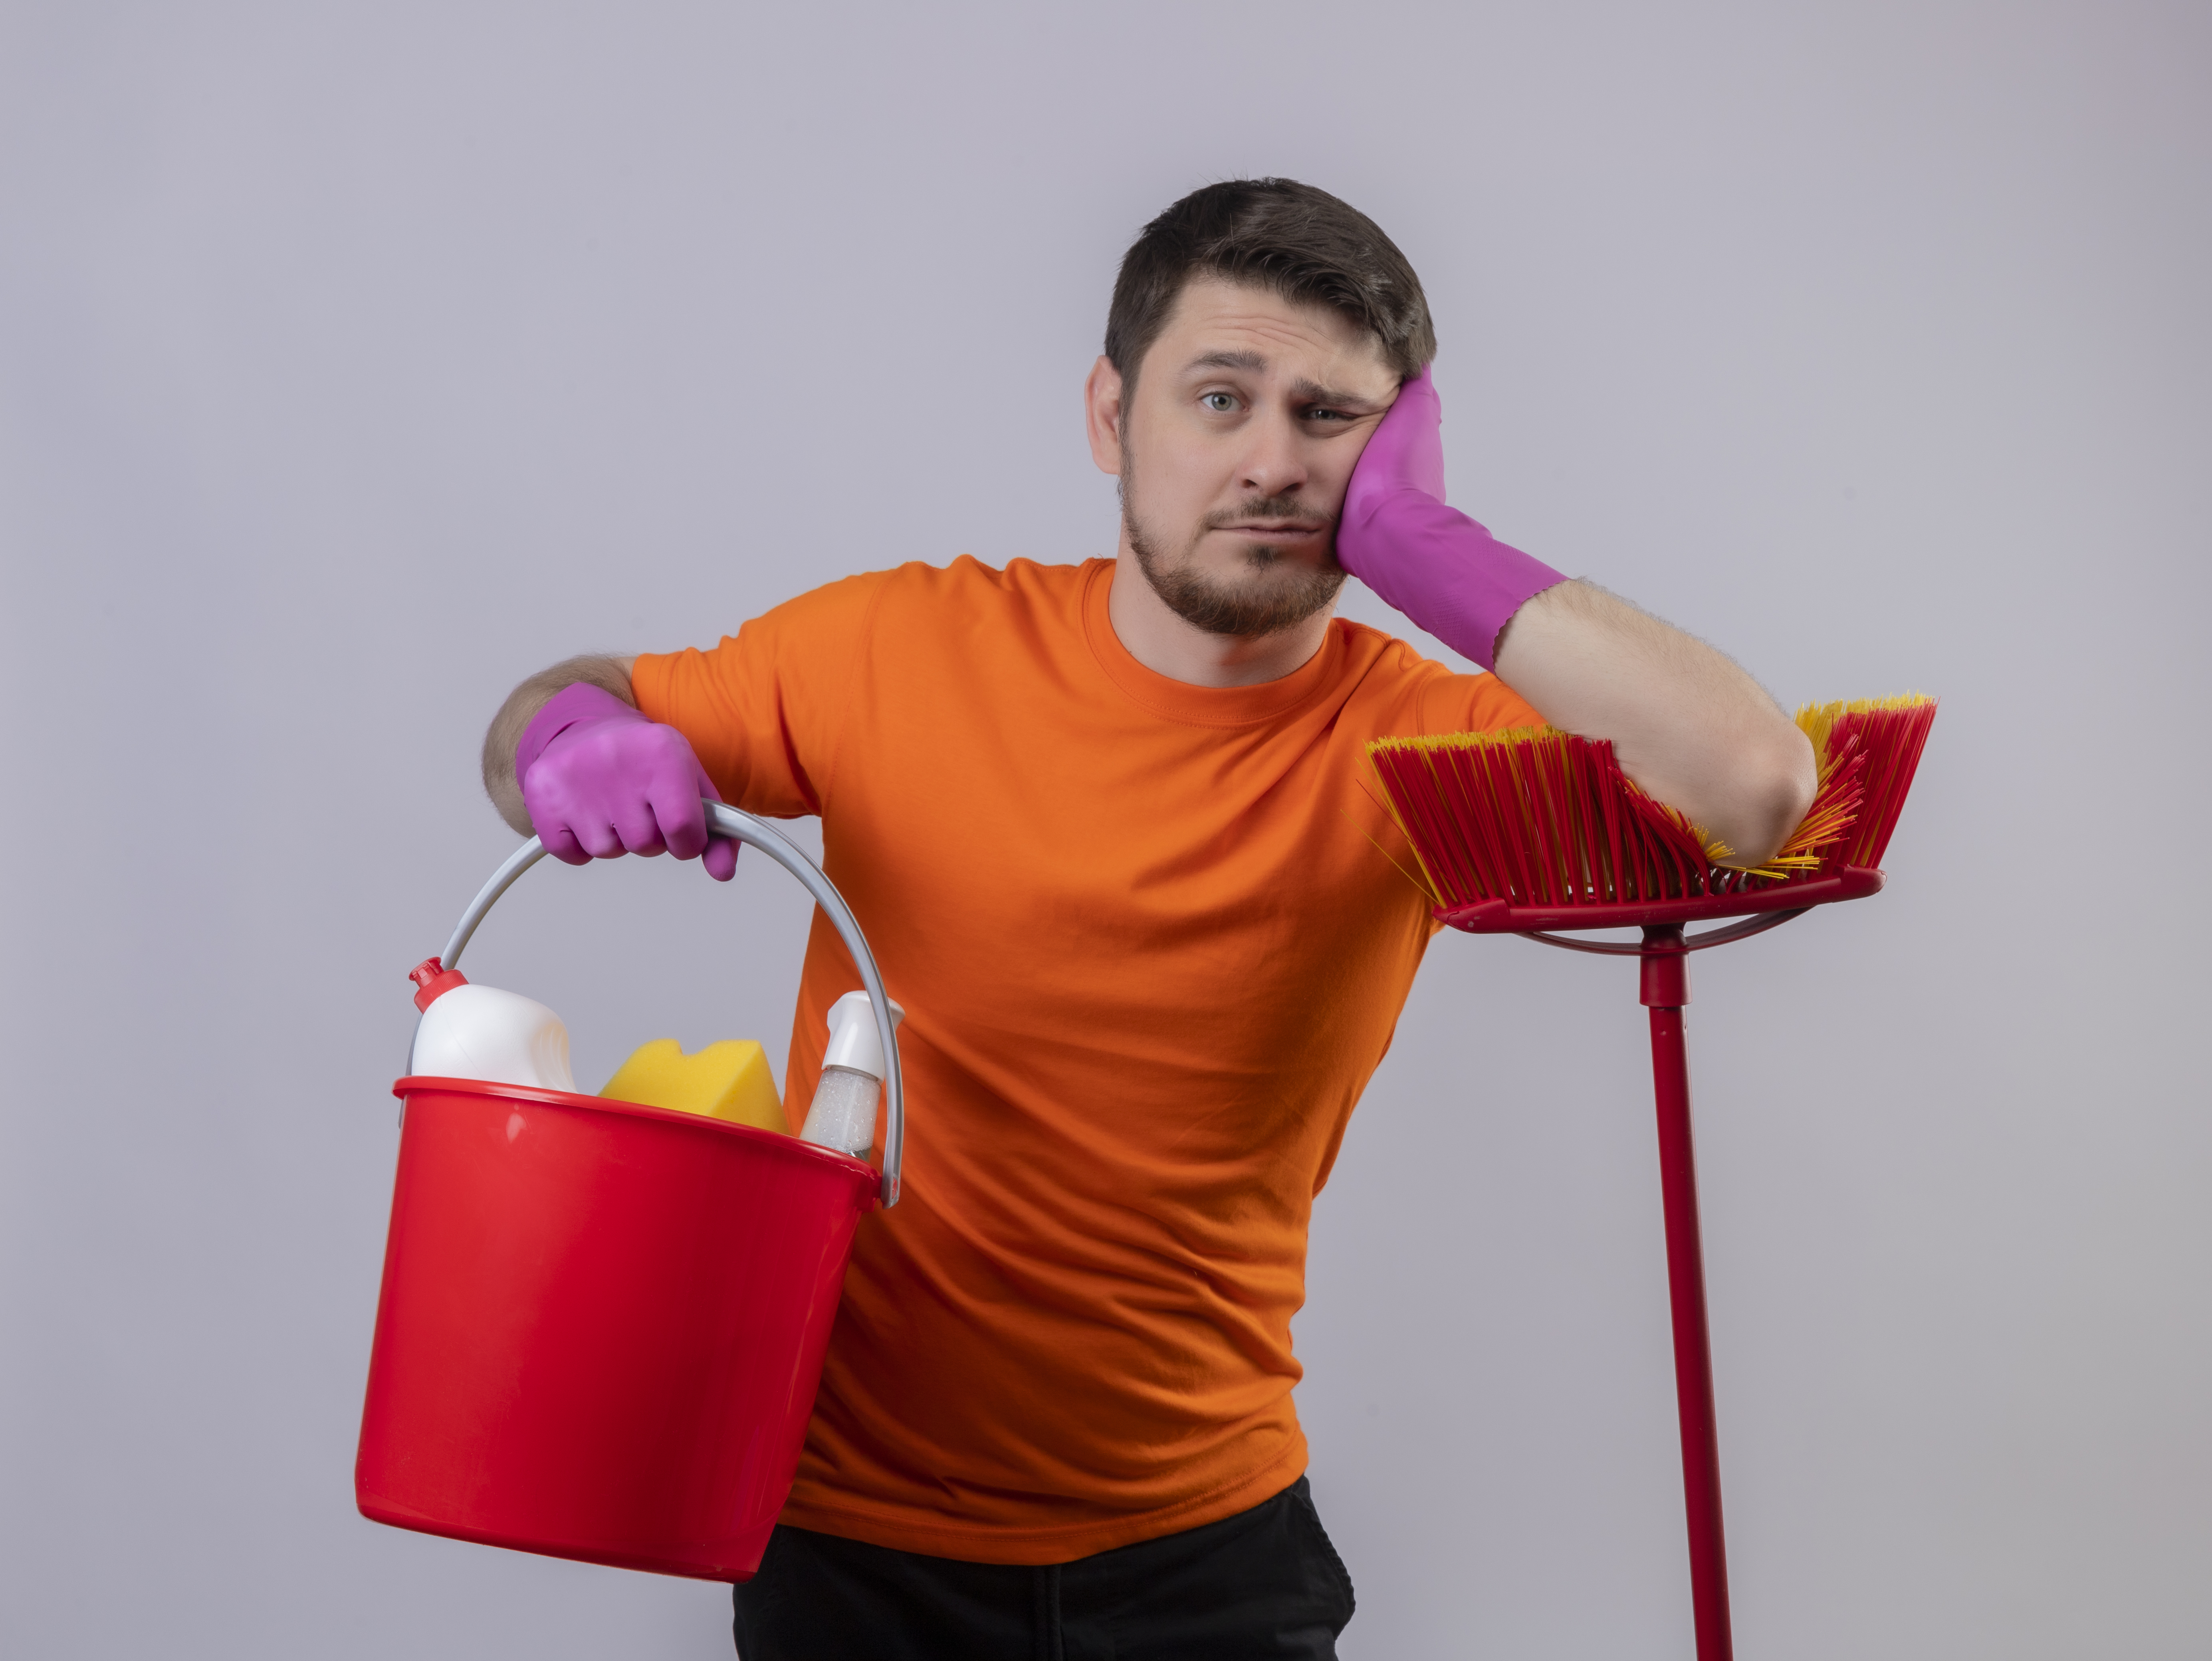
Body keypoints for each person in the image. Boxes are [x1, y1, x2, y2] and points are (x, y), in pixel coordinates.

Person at [480, 178, 1815, 1659]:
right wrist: (564, 738)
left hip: (1209, 1557)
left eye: (1331, 419)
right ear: (1114, 417)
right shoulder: (896, 649)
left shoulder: (1421, 748)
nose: (1270, 463)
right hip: (849, 1543)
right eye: (1221, 398)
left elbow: (1756, 789)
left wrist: (1431, 545)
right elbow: (556, 705)